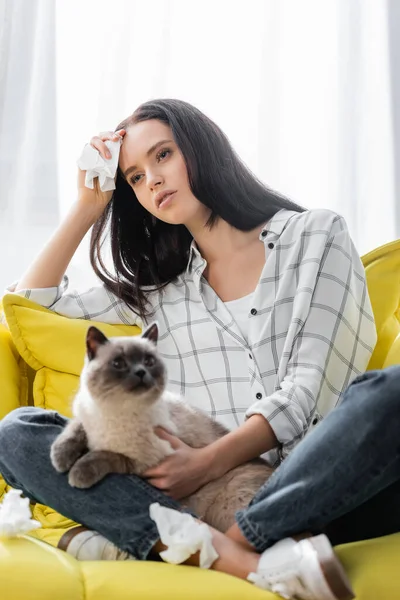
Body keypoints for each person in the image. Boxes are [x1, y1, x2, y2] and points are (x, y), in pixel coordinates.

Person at [0, 98, 397, 600]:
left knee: (391, 393)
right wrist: (87, 208)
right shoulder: (157, 293)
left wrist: (205, 462)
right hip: (205, 502)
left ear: (200, 148)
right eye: (136, 178)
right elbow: (32, 302)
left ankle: (219, 548)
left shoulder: (316, 236)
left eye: (162, 156)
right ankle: (239, 554)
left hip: (328, 486)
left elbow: (308, 390)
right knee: (19, 433)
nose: (153, 181)